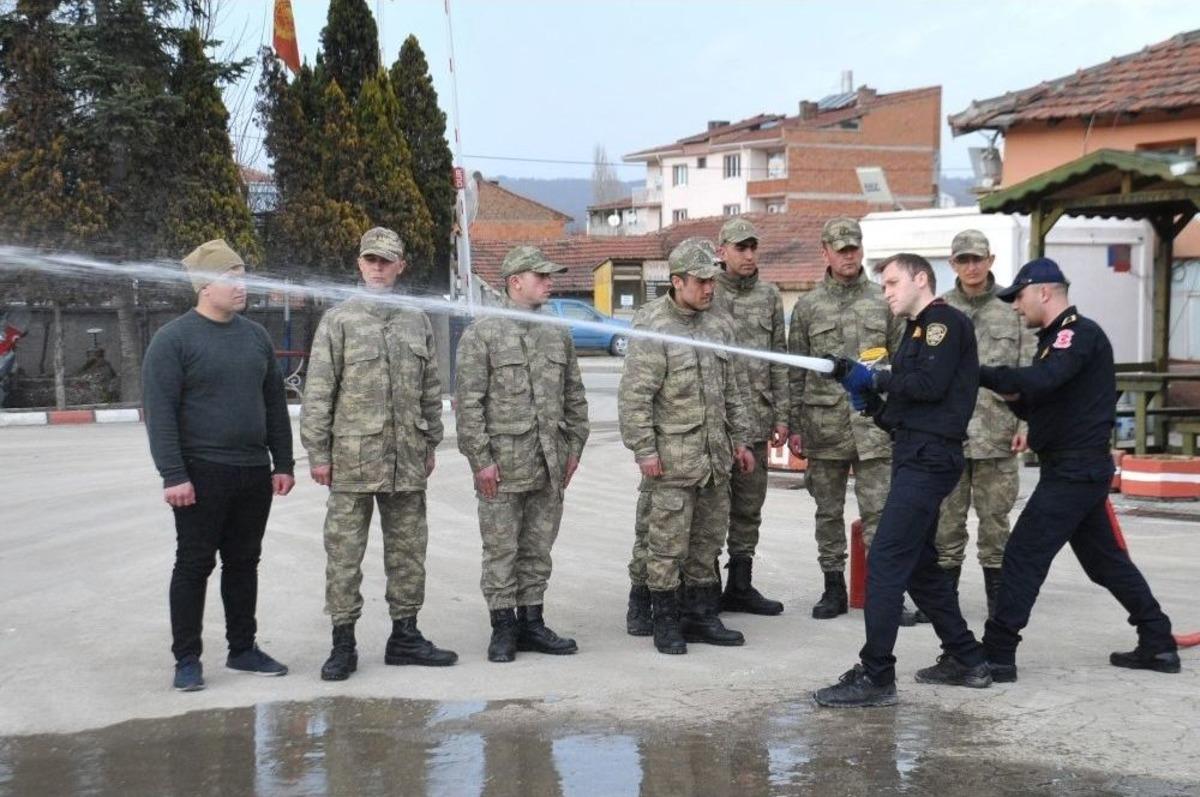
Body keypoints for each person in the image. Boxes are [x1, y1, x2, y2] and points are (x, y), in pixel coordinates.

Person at [978, 257, 1179, 681]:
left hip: (1074, 470)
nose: (1016, 306)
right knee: (1105, 562)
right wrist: (1013, 393)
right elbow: (1042, 398)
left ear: (1043, 291)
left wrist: (981, 373)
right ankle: (1158, 642)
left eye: (1019, 297)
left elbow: (1045, 380)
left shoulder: (1076, 335)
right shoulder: (1054, 340)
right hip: (1072, 468)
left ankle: (997, 654)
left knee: (1022, 555)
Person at [814, 252, 990, 708]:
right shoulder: (915, 331)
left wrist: (875, 374)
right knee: (916, 563)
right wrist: (871, 401)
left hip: (930, 460)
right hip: (917, 452)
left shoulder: (943, 323)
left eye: (893, 282)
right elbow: (912, 413)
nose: (886, 291)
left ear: (921, 279)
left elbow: (928, 386)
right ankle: (967, 658)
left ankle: (876, 675)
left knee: (887, 559)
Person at [301, 227, 456, 680]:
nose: (378, 268)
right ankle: (342, 642)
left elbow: (431, 388)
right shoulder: (340, 321)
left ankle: (405, 636)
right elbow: (318, 391)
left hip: (406, 456)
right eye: (371, 260)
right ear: (359, 264)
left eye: (386, 261)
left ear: (401, 266)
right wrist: (318, 452)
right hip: (352, 459)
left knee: (408, 551)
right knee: (344, 554)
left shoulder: (416, 320)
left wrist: (430, 441)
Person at [142, 239, 294, 692]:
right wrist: (173, 474)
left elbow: (274, 404)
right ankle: (186, 658)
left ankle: (243, 649)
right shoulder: (173, 340)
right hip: (201, 472)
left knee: (245, 562)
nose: (241, 285)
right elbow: (160, 412)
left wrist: (282, 462)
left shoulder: (255, 337)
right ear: (205, 286)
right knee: (193, 564)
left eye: (243, 274)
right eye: (231, 277)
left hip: (252, 470)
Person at [619, 238, 756, 655]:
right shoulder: (652, 325)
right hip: (673, 459)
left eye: (712, 281)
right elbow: (636, 396)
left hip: (715, 457)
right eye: (700, 282)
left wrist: (741, 440)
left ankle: (700, 615)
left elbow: (734, 387)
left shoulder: (719, 324)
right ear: (676, 281)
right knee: (665, 542)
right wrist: (644, 449)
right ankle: (664, 621)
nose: (709, 289)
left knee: (708, 540)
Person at [455, 246, 589, 663]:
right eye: (541, 277)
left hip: (548, 463)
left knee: (538, 548)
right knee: (501, 550)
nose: (549, 283)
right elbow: (468, 405)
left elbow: (575, 398)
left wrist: (574, 448)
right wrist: (480, 460)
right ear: (515, 282)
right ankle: (503, 628)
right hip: (503, 466)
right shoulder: (484, 333)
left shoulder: (557, 334)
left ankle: (532, 622)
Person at [914, 230, 1035, 622]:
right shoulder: (937, 311)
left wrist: (1026, 424)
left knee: (996, 524)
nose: (971, 266)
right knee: (946, 527)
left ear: (991, 260)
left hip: (998, 435)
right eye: (963, 260)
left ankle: (999, 606)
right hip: (950, 436)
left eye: (977, 259)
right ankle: (941, 606)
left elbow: (1028, 372)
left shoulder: (1010, 310)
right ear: (952, 264)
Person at [787, 217, 898, 620]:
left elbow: (901, 363)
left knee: (880, 512)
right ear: (826, 253)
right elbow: (794, 371)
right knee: (827, 511)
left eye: (854, 248)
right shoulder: (807, 307)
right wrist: (793, 424)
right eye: (841, 249)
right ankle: (832, 588)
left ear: (862, 250)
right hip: (824, 425)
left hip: (875, 426)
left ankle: (884, 593)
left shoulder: (884, 301)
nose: (849, 256)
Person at [710, 217, 788, 616]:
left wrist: (782, 415)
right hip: (712, 421)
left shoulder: (769, 296)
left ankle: (741, 583)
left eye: (753, 247)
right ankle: (706, 587)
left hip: (756, 417)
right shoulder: (706, 291)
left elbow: (780, 359)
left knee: (748, 506)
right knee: (709, 506)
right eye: (740, 248)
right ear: (721, 250)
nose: (749, 255)